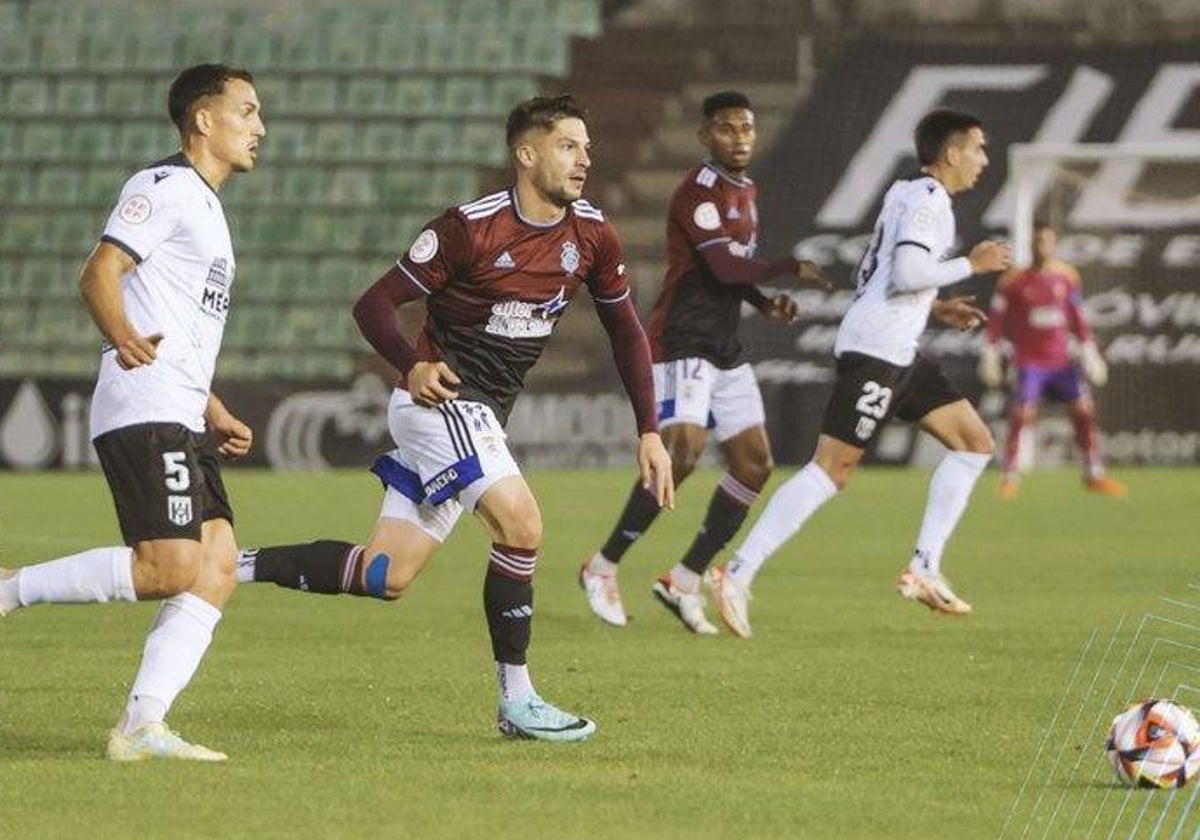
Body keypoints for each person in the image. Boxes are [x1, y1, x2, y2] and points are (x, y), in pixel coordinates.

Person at [235, 95, 673, 742]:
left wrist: (650, 430)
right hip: (440, 404)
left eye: (587, 147)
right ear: (527, 154)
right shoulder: (470, 228)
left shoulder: (593, 236)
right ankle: (517, 702)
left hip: (481, 415)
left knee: (385, 575)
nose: (585, 158)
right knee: (522, 525)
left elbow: (628, 332)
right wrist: (412, 363)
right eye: (568, 146)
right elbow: (374, 305)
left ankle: (227, 563)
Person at [0, 64, 265, 760]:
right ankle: (9, 590)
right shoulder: (164, 187)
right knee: (169, 568)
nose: (259, 127)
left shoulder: (208, 206)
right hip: (145, 406)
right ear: (203, 120)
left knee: (217, 565)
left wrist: (212, 405)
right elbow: (99, 272)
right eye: (247, 111)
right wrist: (119, 336)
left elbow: (176, 323)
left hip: (182, 407)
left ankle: (143, 725)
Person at [704, 109, 1011, 638]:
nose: (984, 159)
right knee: (832, 469)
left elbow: (888, 274)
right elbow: (911, 271)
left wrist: (937, 308)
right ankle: (737, 572)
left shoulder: (905, 192)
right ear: (952, 152)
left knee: (974, 442)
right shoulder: (929, 201)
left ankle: (924, 567)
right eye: (979, 148)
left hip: (896, 345)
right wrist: (973, 265)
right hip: (878, 349)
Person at [577, 90, 826, 635]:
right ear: (705, 136)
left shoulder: (747, 190)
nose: (739, 138)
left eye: (747, 129)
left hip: (724, 344)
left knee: (756, 464)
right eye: (727, 128)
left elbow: (732, 272)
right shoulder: (698, 192)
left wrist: (766, 303)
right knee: (682, 453)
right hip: (683, 338)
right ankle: (602, 566)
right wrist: (787, 267)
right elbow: (719, 265)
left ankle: (684, 579)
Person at [977, 222, 1126, 500]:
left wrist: (1090, 351)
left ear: (1054, 244)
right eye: (1037, 241)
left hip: (1061, 363)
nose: (1042, 247)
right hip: (1029, 362)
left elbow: (1078, 317)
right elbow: (997, 320)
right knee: (1022, 414)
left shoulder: (1066, 276)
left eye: (1047, 241)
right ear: (1030, 244)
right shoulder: (1013, 281)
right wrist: (991, 354)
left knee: (1084, 410)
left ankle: (1094, 474)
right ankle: (1010, 476)